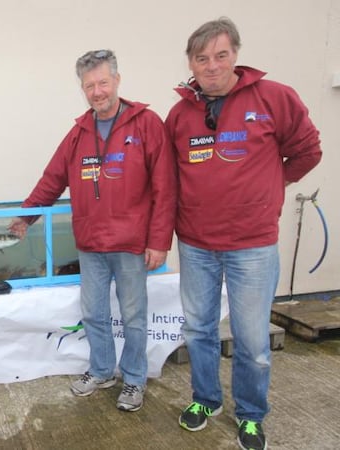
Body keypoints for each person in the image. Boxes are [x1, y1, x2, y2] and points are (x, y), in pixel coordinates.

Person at [165, 17, 322, 450]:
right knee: (198, 329)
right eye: (202, 58)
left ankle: (251, 415)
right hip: (196, 244)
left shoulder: (274, 98)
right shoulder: (179, 115)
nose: (211, 65)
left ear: (235, 54)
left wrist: (275, 183)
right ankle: (206, 399)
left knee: (252, 340)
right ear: (191, 63)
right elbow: (169, 179)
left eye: (220, 55)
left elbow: (308, 150)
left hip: (252, 246)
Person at [9, 49, 176, 412]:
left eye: (102, 82)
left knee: (133, 316)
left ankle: (133, 378)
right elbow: (51, 180)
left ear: (117, 80)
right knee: (95, 313)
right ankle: (102, 369)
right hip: (91, 243)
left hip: (132, 244)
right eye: (89, 86)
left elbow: (165, 187)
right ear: (82, 89)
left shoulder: (147, 124)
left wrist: (159, 241)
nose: (97, 91)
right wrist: (25, 218)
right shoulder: (79, 132)